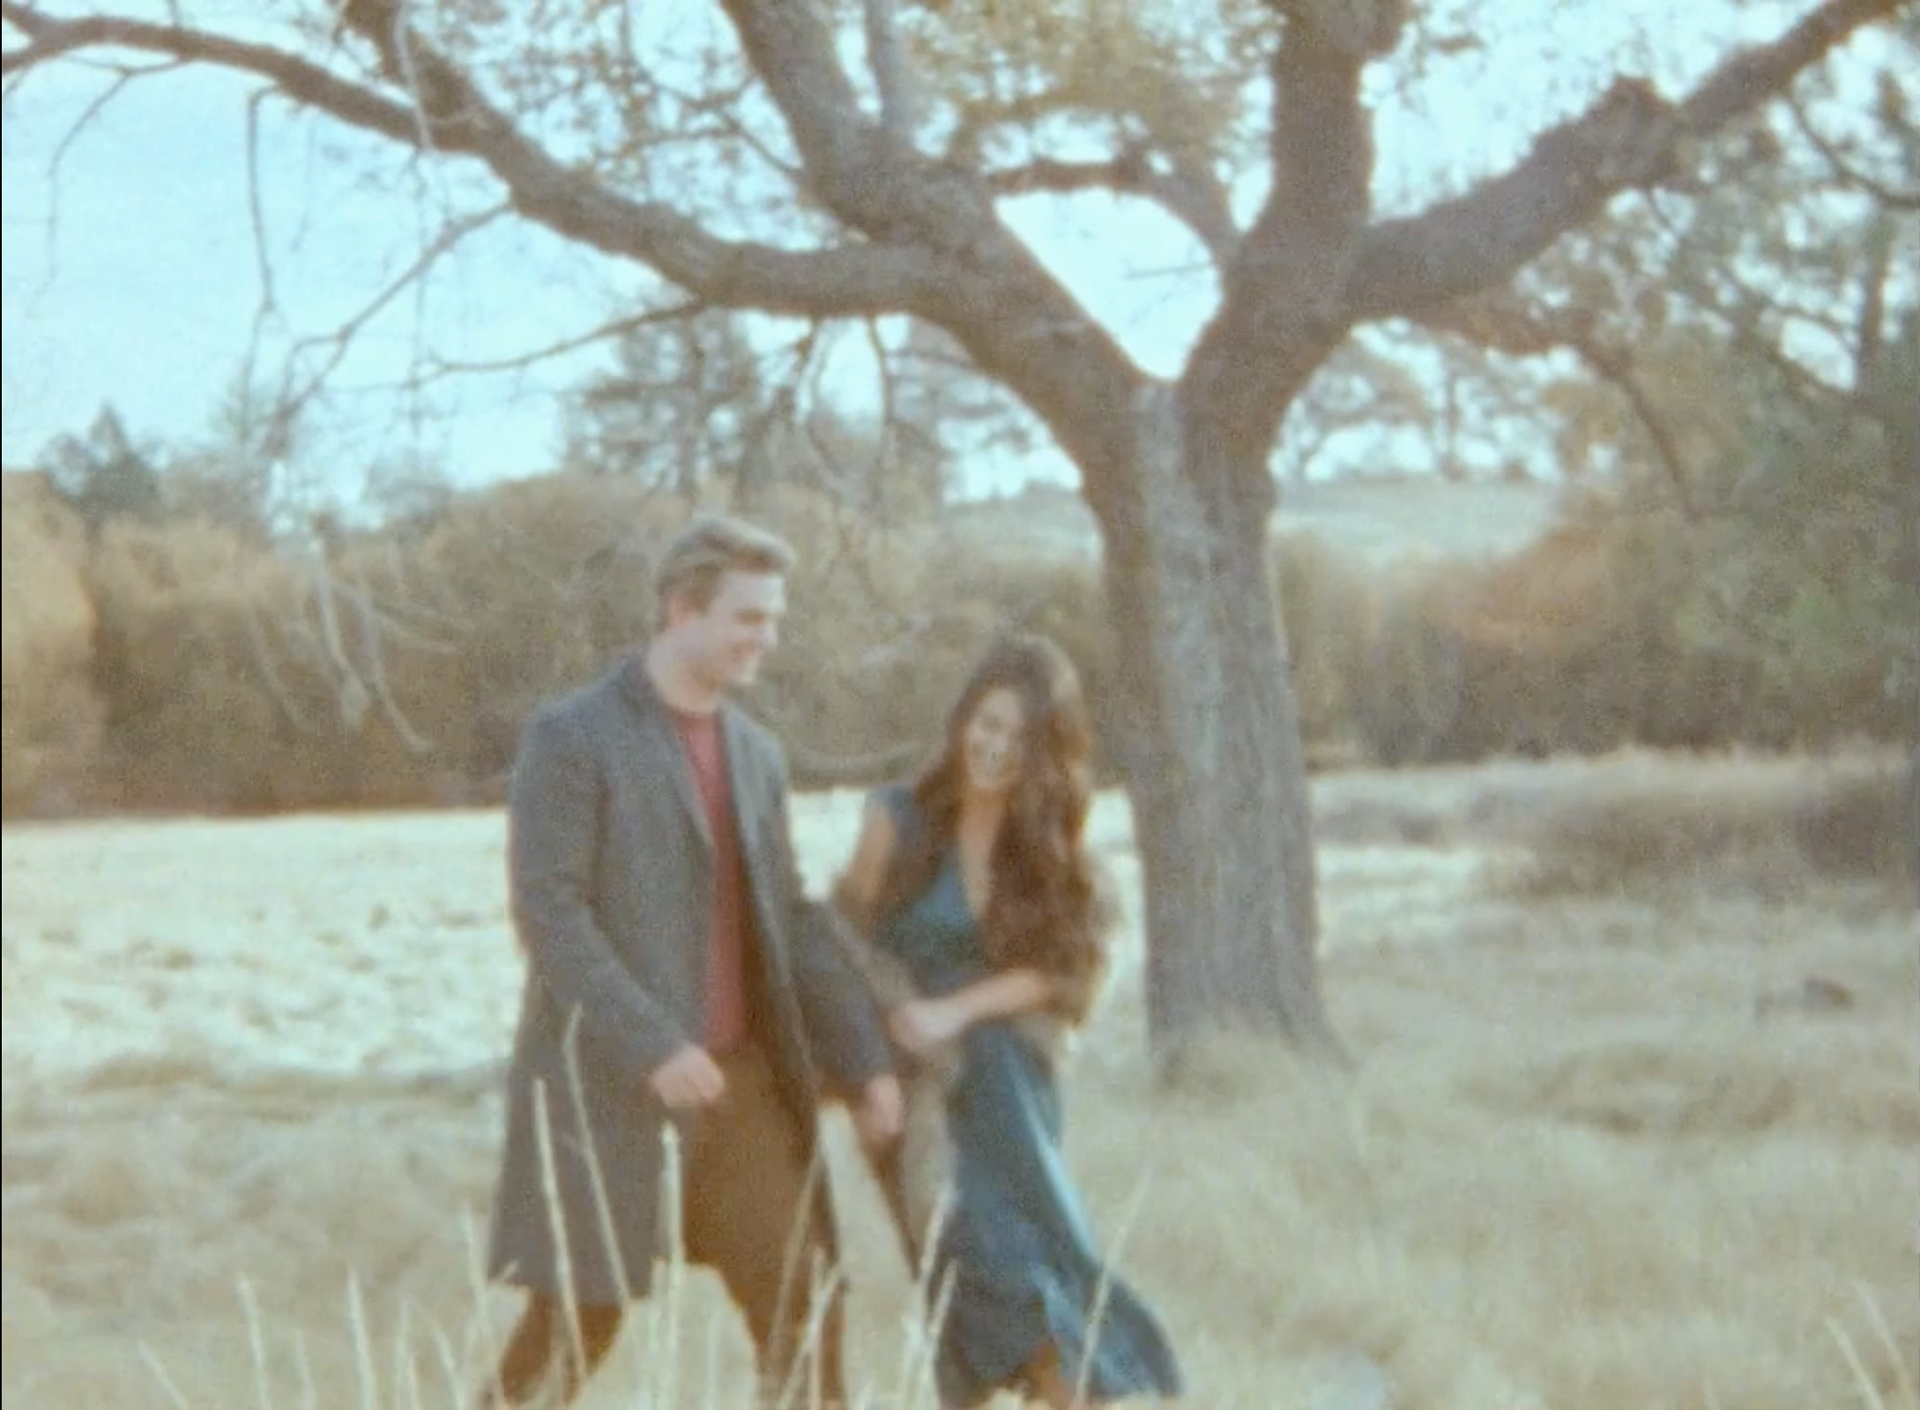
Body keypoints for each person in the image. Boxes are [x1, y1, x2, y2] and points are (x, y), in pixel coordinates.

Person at [477, 512, 905, 1409]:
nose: (767, 638)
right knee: (577, 1328)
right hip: (607, 1090)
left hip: (739, 1087)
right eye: (748, 617)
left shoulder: (755, 754)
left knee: (804, 1308)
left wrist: (865, 1060)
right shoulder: (574, 737)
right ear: (681, 608)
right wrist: (654, 1044)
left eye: (774, 618)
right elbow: (551, 917)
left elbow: (788, 917)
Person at [831, 634, 1185, 1410]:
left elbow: (1069, 969)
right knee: (973, 1264)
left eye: (1019, 739)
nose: (993, 748)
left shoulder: (1046, 847)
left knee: (1046, 1264)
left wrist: (956, 1008)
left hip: (1012, 1095)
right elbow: (839, 942)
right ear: (963, 719)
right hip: (920, 1096)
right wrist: (870, 1059)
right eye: (986, 724)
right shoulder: (896, 820)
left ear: (1045, 756)